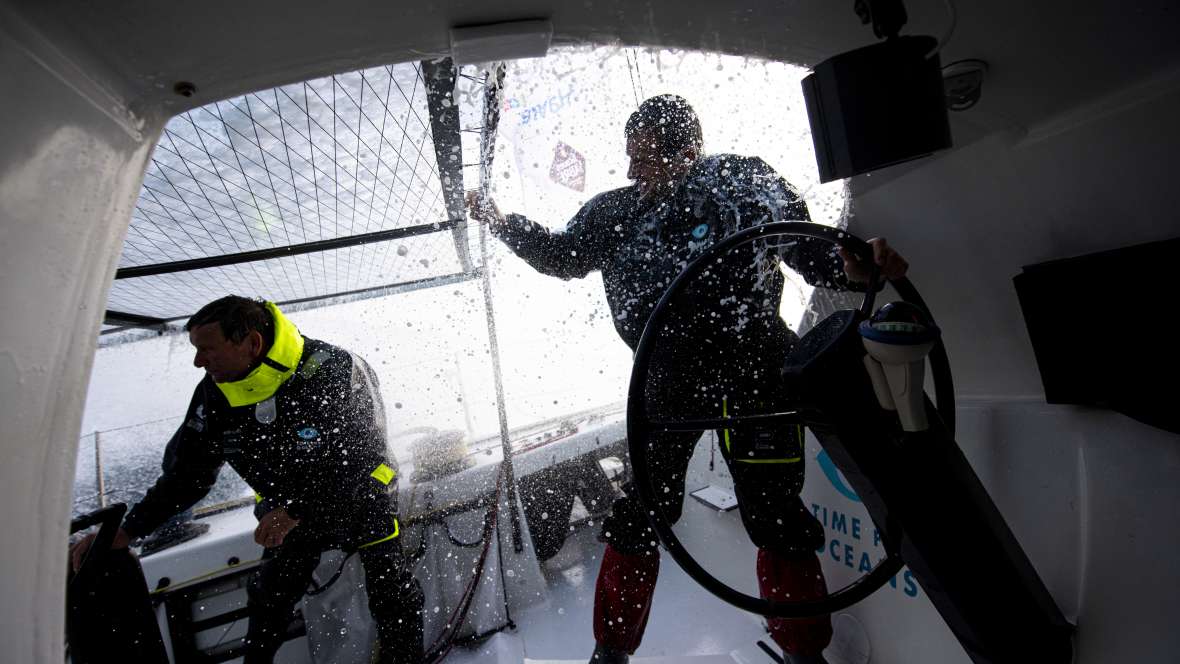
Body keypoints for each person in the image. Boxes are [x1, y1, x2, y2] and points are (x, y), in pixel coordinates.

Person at [466, 94, 908, 664]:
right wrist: (503, 223)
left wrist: (851, 267)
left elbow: (809, 250)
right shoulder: (613, 213)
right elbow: (562, 254)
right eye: (629, 158)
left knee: (775, 513)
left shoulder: (745, 184)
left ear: (688, 151)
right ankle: (611, 652)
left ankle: (803, 651)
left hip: (759, 378)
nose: (630, 172)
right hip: (669, 386)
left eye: (642, 157)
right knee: (642, 512)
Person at [69, 296, 424, 664]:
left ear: (251, 343)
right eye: (195, 350)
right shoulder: (214, 392)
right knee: (269, 602)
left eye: (208, 349)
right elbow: (188, 476)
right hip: (288, 515)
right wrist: (127, 531)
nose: (198, 362)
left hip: (362, 496)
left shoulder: (332, 370)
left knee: (392, 594)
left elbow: (361, 463)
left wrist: (295, 512)